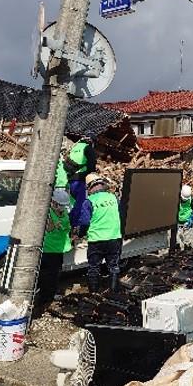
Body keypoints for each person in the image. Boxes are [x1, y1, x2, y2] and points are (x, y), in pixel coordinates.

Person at [78, 173, 122, 293]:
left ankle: (94, 293)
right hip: (114, 237)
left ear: (89, 187)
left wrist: (80, 234)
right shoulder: (113, 198)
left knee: (94, 267)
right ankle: (114, 292)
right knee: (114, 266)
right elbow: (120, 215)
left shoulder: (89, 201)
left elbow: (85, 222)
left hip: (96, 240)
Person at [35, 188, 73, 316]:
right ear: (53, 202)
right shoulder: (48, 213)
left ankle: (48, 298)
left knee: (54, 276)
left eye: (63, 206)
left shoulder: (64, 213)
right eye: (60, 205)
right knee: (46, 277)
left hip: (58, 250)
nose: (62, 208)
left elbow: (67, 227)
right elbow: (49, 227)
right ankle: (43, 302)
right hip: (47, 250)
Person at [55, 132, 97, 227]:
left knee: (71, 205)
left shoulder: (75, 147)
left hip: (69, 181)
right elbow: (92, 168)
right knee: (82, 205)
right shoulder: (88, 149)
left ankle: (67, 224)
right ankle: (77, 227)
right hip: (80, 182)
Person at [176, 184, 193, 249]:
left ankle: (187, 249)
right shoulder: (177, 198)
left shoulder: (191, 199)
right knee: (177, 238)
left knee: (187, 239)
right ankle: (177, 249)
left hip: (187, 221)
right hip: (178, 221)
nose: (184, 200)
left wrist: (192, 218)